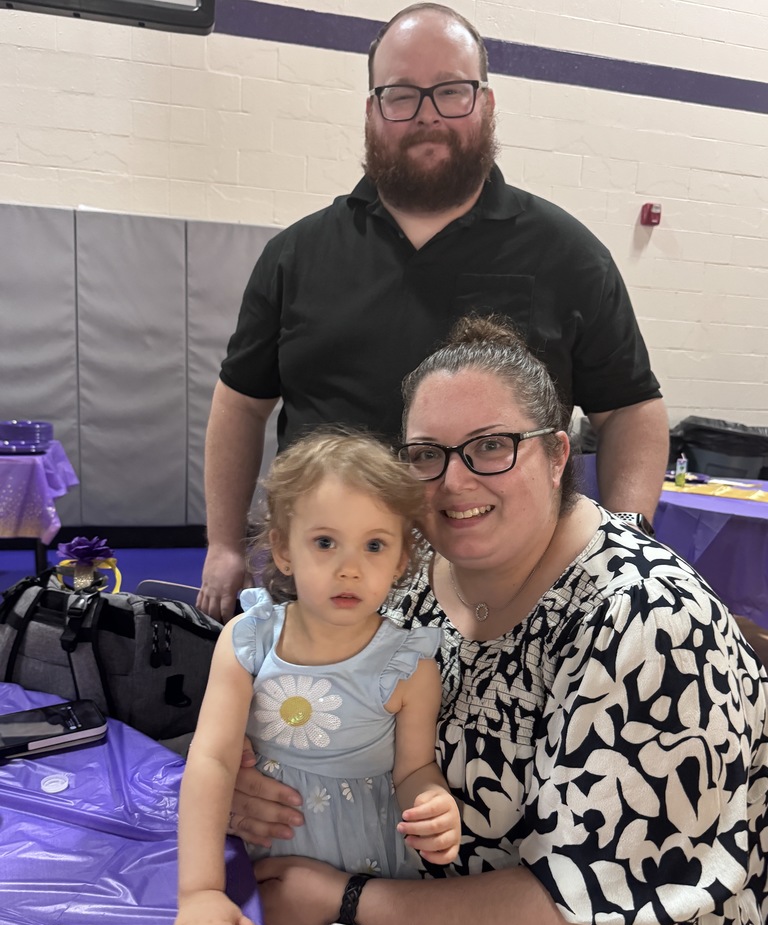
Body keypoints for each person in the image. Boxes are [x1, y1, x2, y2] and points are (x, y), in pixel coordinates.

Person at [227, 315, 768, 925]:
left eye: (491, 447)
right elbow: (309, 684)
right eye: (425, 454)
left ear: (556, 456)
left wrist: (342, 907)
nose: (453, 481)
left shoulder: (646, 624)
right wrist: (254, 767)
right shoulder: (410, 578)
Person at [198, 2, 669, 623]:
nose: (427, 116)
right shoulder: (296, 256)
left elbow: (632, 410)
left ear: (487, 104)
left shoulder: (569, 255)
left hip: (510, 604)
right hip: (330, 594)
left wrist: (624, 547)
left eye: (451, 92)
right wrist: (224, 543)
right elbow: (239, 404)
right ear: (372, 110)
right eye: (401, 95)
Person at [172, 430, 461, 925]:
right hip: (266, 853)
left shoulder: (410, 663)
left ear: (403, 560)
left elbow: (413, 767)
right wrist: (198, 891)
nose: (350, 568)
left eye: (375, 546)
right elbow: (212, 761)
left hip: (364, 862)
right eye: (325, 542)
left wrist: (432, 803)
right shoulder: (248, 641)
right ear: (283, 550)